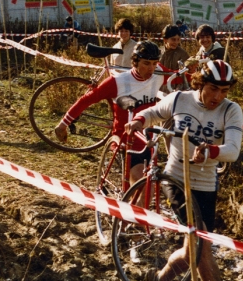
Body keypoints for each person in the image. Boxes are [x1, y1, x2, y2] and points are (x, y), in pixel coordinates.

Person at [125, 60, 243, 281]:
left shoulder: (231, 110)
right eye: (212, 89)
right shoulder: (180, 99)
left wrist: (210, 151)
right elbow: (154, 113)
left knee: (193, 250)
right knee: (201, 250)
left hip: (206, 185)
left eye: (224, 91)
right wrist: (139, 120)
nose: (218, 96)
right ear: (200, 83)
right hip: (176, 180)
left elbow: (232, 150)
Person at [55, 41, 165, 183]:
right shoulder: (117, 81)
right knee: (141, 184)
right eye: (146, 63)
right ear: (135, 62)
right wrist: (63, 124)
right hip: (125, 141)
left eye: (154, 63)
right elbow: (86, 100)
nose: (151, 68)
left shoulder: (159, 73)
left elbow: (181, 76)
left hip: (147, 140)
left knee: (147, 187)